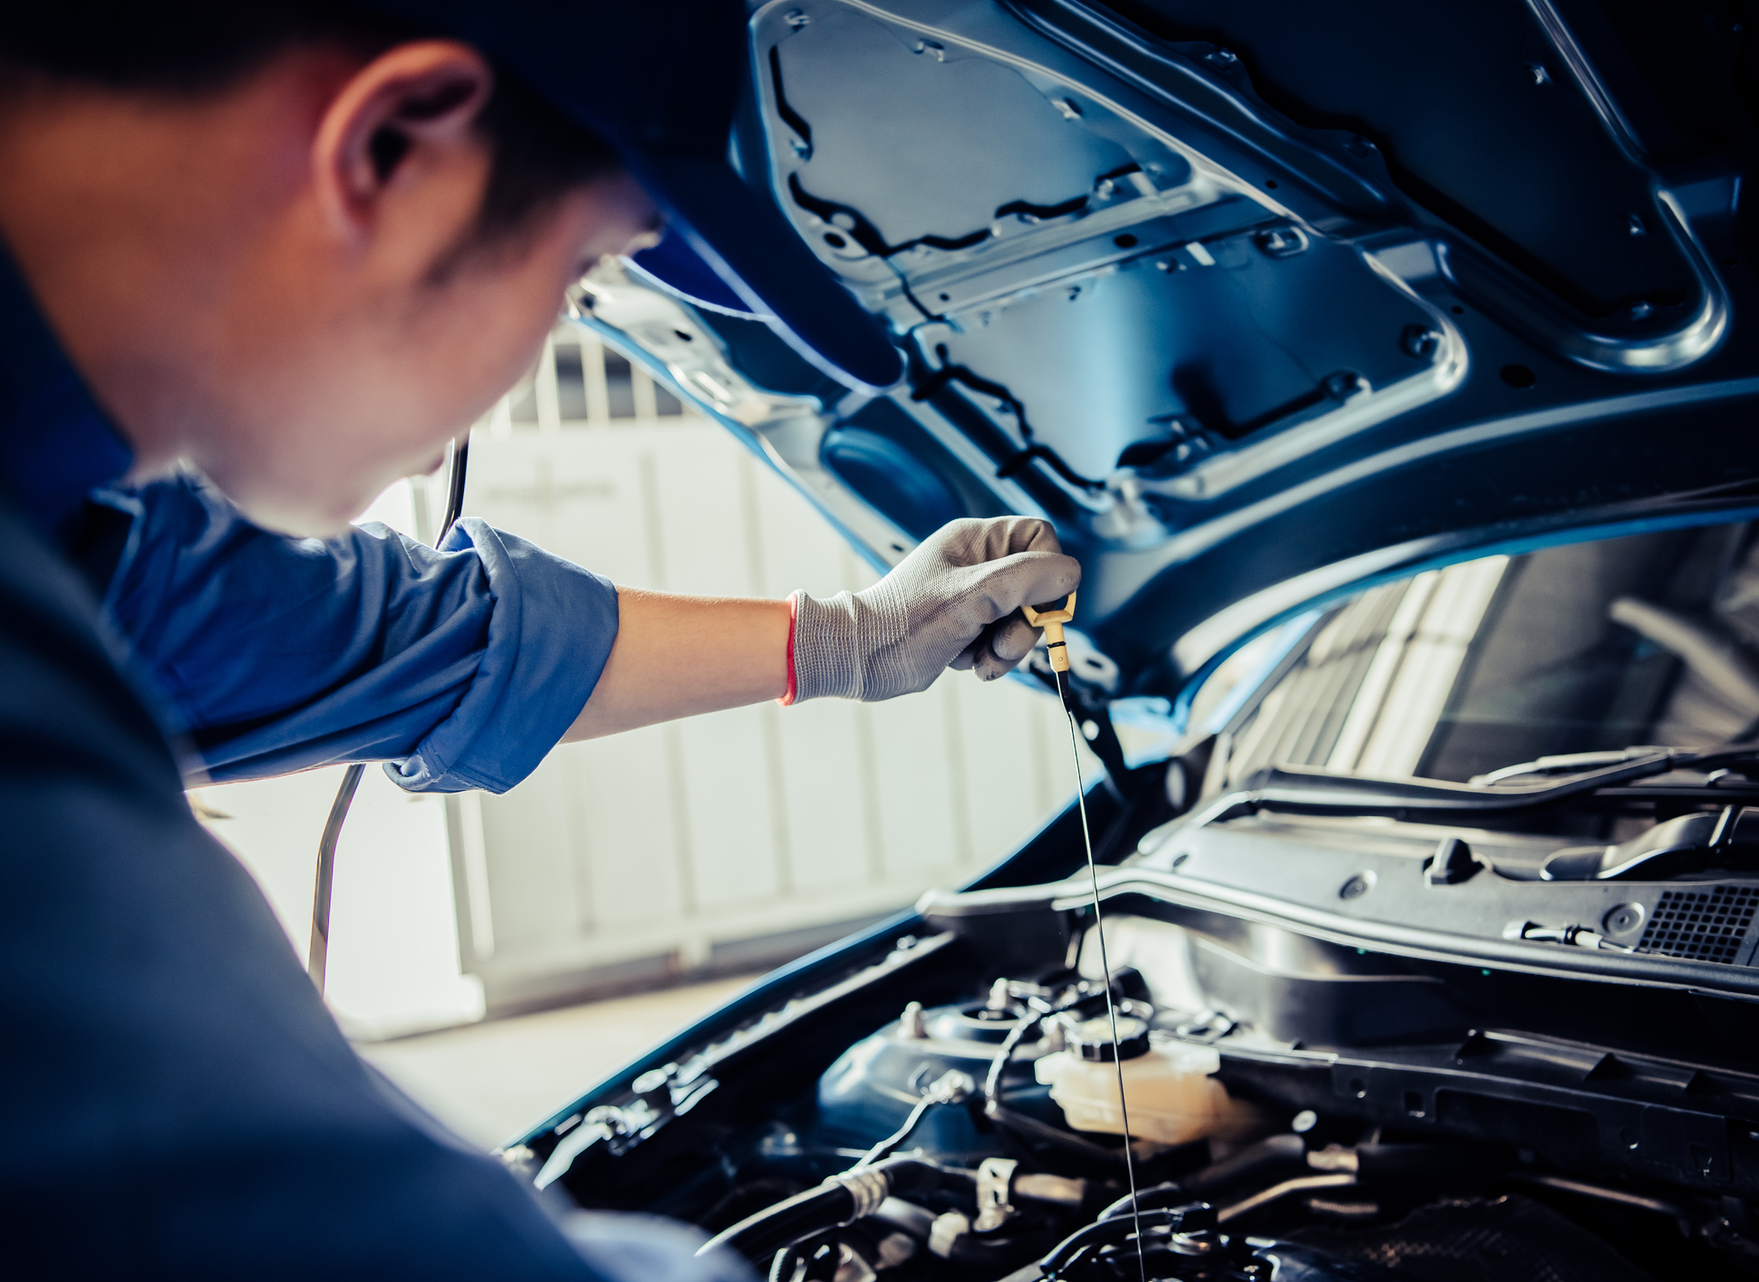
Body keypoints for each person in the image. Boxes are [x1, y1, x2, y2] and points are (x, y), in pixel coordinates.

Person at [0, 3, 1079, 1278]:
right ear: (393, 147)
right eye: (576, 278)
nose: (536, 352)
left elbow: (413, 638)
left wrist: (850, 640)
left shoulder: (78, 508)